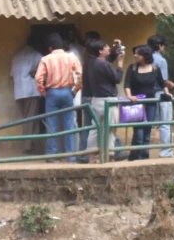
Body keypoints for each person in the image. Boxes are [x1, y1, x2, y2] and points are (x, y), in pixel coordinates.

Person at [35, 33, 82, 162]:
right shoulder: (71, 57)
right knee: (69, 125)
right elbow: (79, 74)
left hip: (52, 93)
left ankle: (51, 155)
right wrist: (75, 90)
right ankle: (70, 156)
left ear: (50, 48)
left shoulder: (45, 59)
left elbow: (38, 78)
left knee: (51, 125)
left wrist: (43, 92)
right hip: (67, 92)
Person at [124, 45, 173, 161]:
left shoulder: (155, 68)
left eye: (138, 54)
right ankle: (135, 156)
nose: (135, 56)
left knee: (147, 130)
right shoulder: (132, 68)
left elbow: (162, 83)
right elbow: (127, 84)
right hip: (137, 103)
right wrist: (130, 96)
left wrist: (167, 93)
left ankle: (145, 156)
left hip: (150, 103)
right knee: (139, 131)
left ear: (145, 56)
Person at [82, 37, 126, 162]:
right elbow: (117, 78)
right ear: (100, 51)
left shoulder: (90, 63)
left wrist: (114, 49)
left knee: (95, 129)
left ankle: (91, 157)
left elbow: (107, 60)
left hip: (96, 100)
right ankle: (109, 157)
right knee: (110, 129)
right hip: (108, 101)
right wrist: (120, 64)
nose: (108, 48)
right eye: (106, 47)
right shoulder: (103, 64)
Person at [10, 38, 43, 154]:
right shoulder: (36, 55)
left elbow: (12, 74)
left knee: (27, 119)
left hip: (18, 92)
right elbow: (40, 72)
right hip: (31, 91)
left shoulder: (16, 56)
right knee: (31, 120)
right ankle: (28, 147)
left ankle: (34, 146)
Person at [148, 35, 174, 157]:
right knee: (165, 123)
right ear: (159, 46)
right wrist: (170, 86)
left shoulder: (145, 58)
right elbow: (163, 80)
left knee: (148, 123)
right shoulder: (161, 61)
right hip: (160, 93)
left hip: (148, 94)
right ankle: (166, 151)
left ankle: (142, 150)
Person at [77, 31, 103, 163]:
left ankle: (83, 154)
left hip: (86, 96)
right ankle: (118, 150)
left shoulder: (87, 62)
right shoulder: (97, 64)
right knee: (104, 124)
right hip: (93, 97)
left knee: (88, 126)